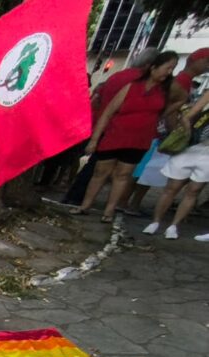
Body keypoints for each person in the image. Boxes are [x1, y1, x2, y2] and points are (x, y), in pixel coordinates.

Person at [73, 51, 181, 222]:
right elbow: (108, 113)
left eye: (172, 69)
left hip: (139, 140)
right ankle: (85, 205)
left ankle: (109, 210)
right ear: (153, 67)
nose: (168, 72)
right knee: (100, 172)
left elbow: (181, 98)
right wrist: (95, 139)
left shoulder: (166, 90)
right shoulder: (131, 86)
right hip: (116, 135)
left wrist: (165, 113)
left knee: (123, 175)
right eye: (167, 68)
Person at [62, 47, 160, 206]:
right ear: (151, 66)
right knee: (105, 169)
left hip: (105, 126)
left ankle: (76, 196)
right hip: (117, 130)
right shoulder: (139, 82)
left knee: (95, 167)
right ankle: (80, 198)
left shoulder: (117, 76)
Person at [143, 90, 209, 239]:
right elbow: (188, 116)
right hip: (191, 147)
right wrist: (188, 134)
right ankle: (156, 222)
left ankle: (174, 226)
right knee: (172, 188)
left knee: (194, 190)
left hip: (207, 155)